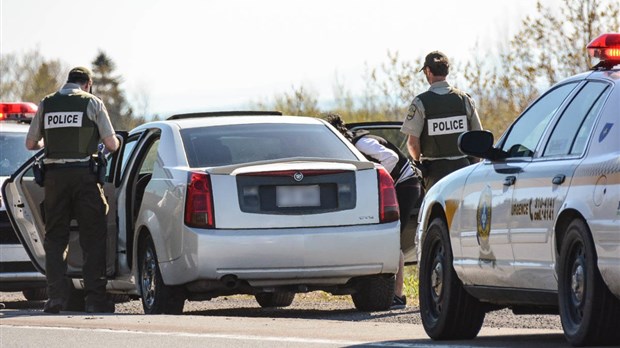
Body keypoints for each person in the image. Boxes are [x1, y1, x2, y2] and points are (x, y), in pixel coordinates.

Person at [25, 67, 120, 314]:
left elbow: (30, 144)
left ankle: (56, 299)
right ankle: (94, 299)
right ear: (87, 84)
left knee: (55, 239)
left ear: (67, 82)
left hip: (54, 179)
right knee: (93, 236)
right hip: (85, 178)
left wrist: (53, 141)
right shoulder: (93, 103)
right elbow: (111, 143)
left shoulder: (46, 103)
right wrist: (112, 143)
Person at [326, 114, 422, 310]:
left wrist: (374, 181)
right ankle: (394, 294)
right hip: (400, 184)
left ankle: (396, 295)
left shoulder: (361, 142)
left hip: (406, 184)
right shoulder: (353, 145)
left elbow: (391, 158)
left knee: (394, 241)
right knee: (391, 240)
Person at [401, 51, 483, 190]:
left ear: (428, 71)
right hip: (463, 169)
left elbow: (413, 143)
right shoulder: (465, 100)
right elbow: (478, 137)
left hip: (435, 172)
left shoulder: (421, 102)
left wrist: (418, 163)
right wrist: (472, 163)